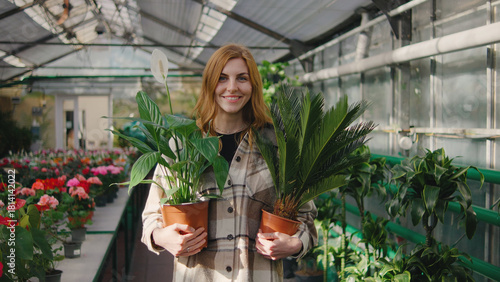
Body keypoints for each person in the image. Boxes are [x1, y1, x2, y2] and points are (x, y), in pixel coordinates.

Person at [141, 43, 317, 281]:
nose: (232, 87)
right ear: (209, 83)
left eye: (242, 78)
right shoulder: (182, 146)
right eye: (222, 78)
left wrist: (295, 243)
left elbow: (306, 215)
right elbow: (151, 216)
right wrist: (162, 237)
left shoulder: (279, 147)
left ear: (253, 85)